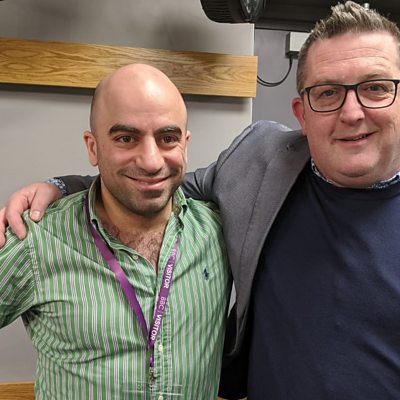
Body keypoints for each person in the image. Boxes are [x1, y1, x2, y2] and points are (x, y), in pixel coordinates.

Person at [3, 1, 400, 399]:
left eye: (376, 88)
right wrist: (62, 186)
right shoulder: (260, 161)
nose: (352, 113)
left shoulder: (208, 231)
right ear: (302, 113)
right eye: (328, 92)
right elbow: (158, 184)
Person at [0, 63, 231, 399]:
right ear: (93, 147)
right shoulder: (36, 239)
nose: (151, 161)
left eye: (167, 138)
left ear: (185, 143)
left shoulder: (219, 233)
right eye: (126, 138)